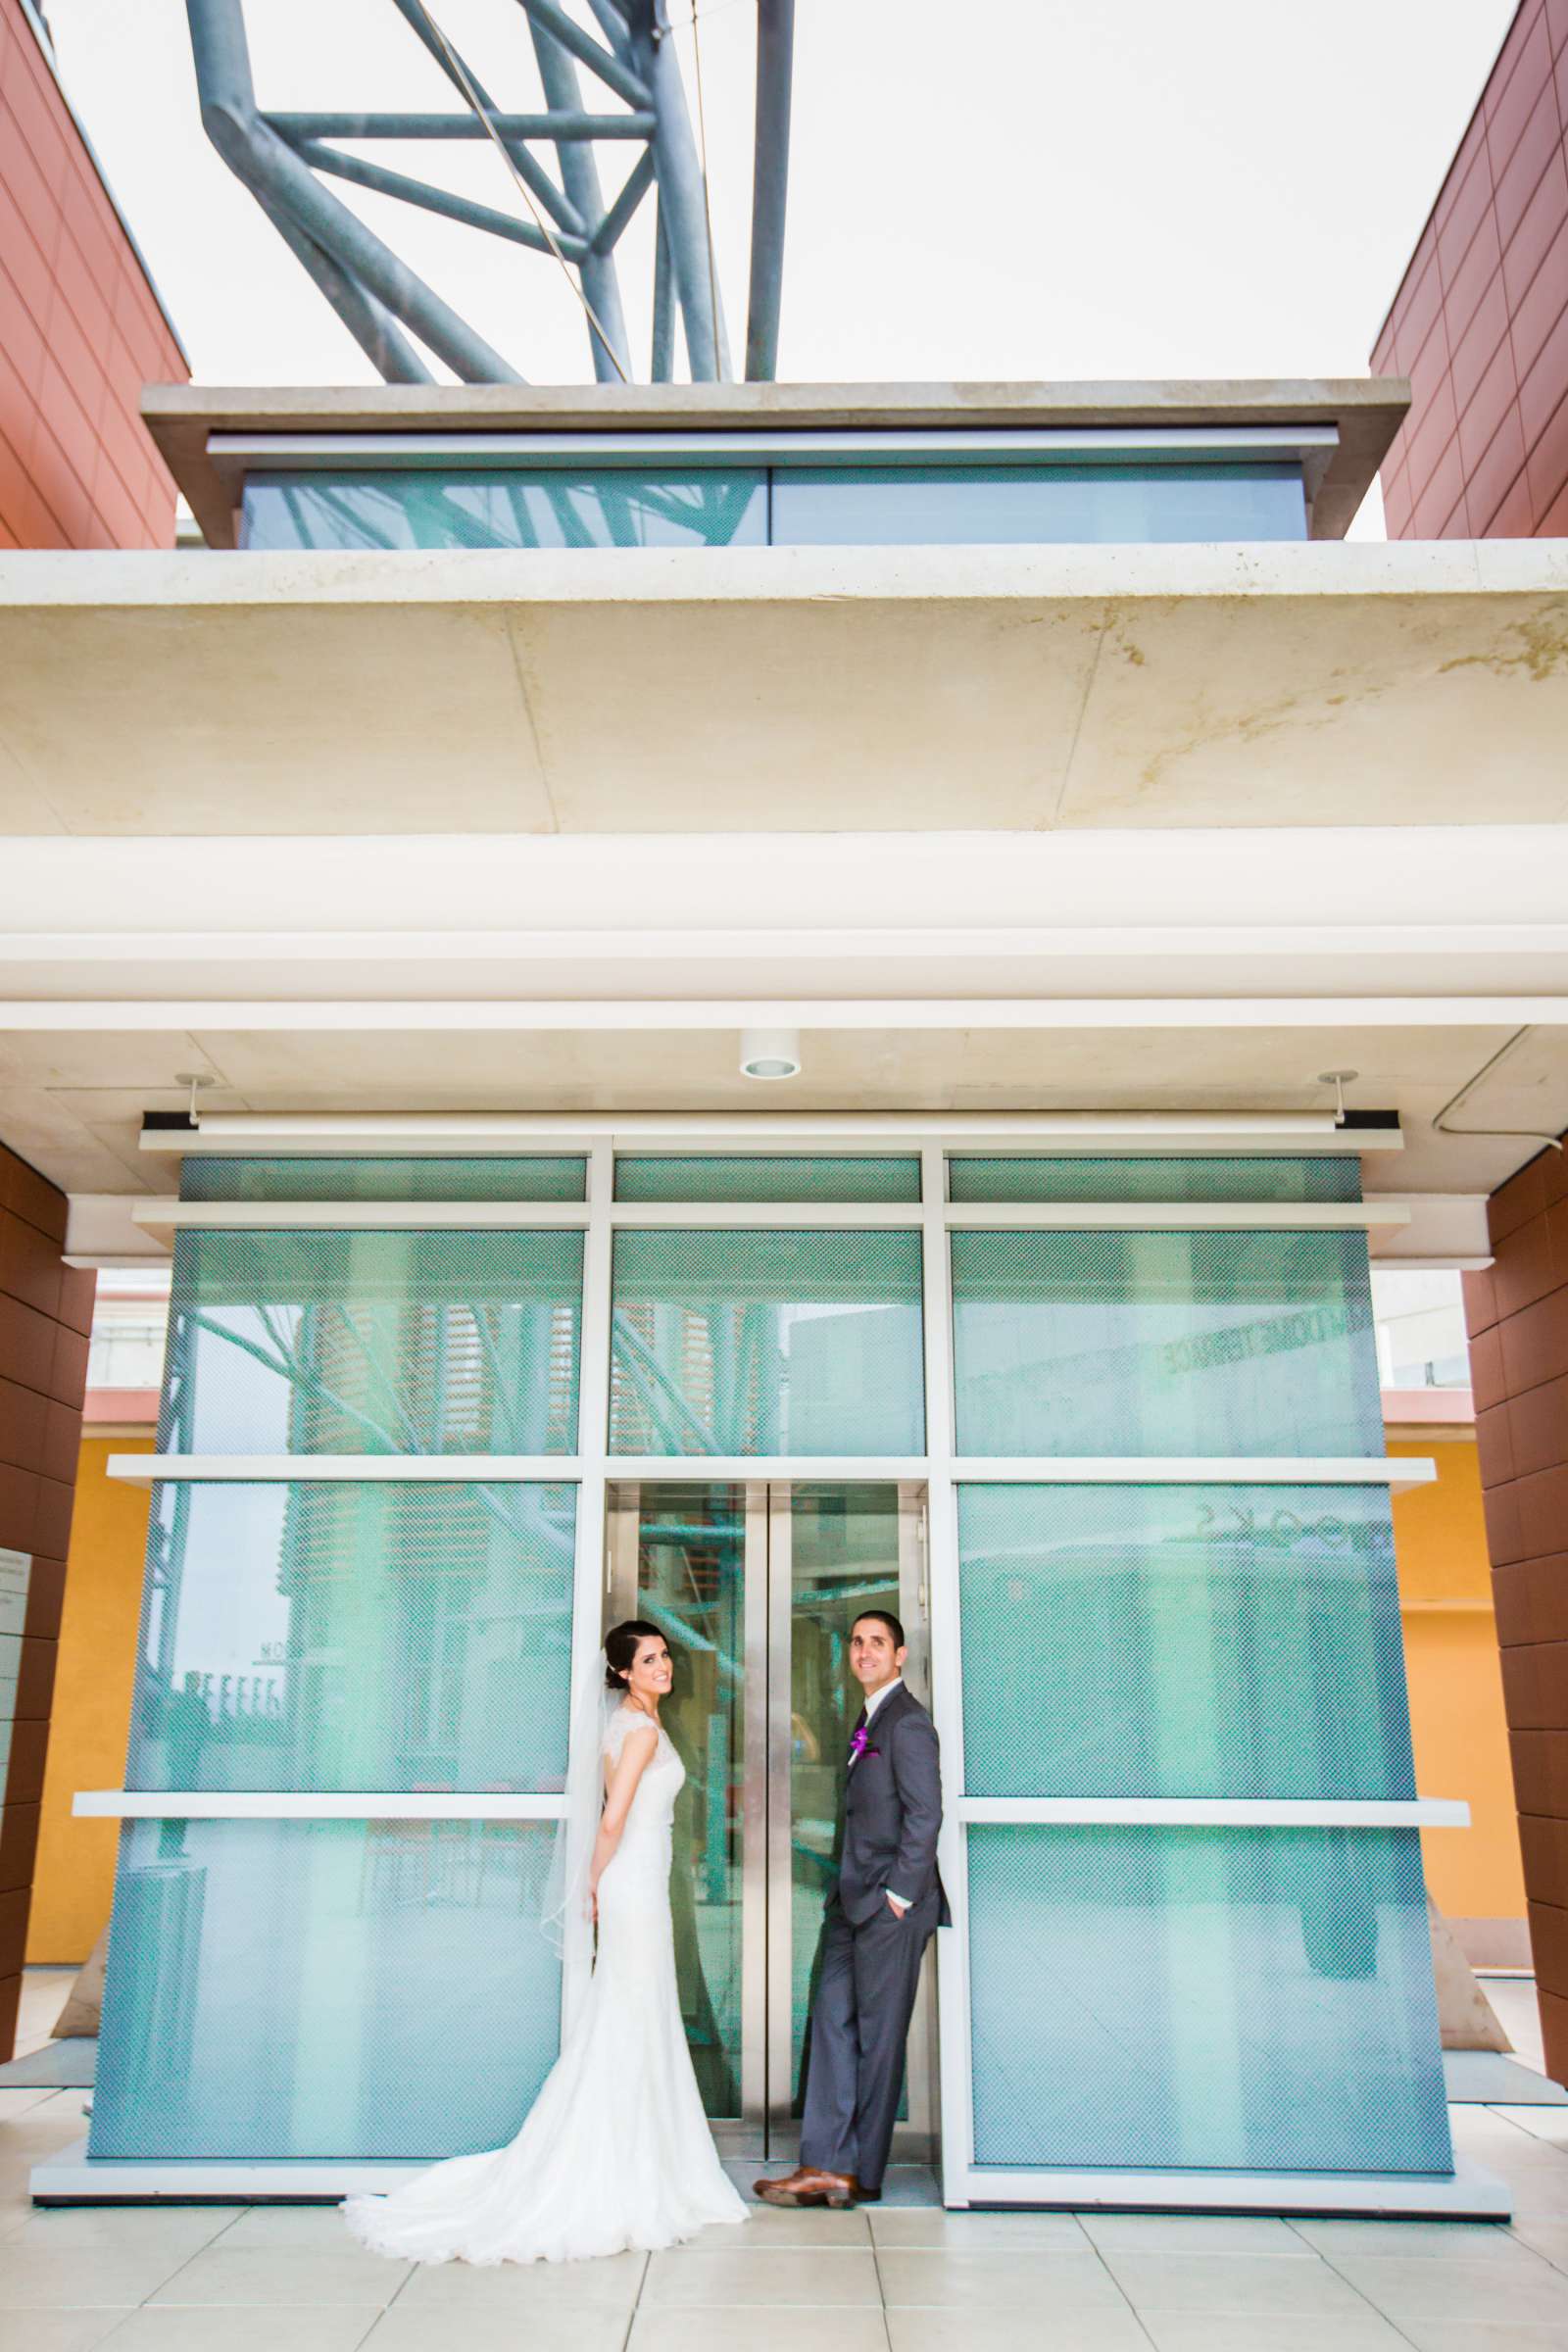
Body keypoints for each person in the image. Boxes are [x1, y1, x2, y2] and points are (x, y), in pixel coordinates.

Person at [341, 1621, 748, 2264]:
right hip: (632, 1882)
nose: (664, 1666)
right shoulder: (640, 1731)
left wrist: (600, 1880)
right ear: (622, 1673)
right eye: (649, 1660)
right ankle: (633, 2169)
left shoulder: (624, 1723)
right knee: (635, 2017)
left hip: (633, 1881)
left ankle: (637, 2156)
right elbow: (614, 1816)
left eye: (665, 1656)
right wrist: (592, 1879)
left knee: (633, 2016)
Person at [758, 1607, 949, 2210]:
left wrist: (898, 1896)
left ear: (899, 1656)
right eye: (857, 1642)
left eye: (877, 1643)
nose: (864, 1651)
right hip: (850, 1902)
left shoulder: (908, 1724)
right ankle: (823, 2164)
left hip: (889, 1905)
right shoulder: (869, 1718)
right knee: (832, 2022)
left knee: (877, 2037)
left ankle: (860, 2174)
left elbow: (925, 1815)